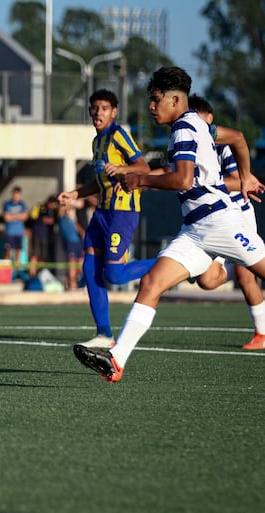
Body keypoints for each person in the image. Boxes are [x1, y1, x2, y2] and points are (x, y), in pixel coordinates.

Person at [73, 66, 265, 382]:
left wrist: (139, 179)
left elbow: (183, 179)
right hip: (194, 231)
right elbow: (239, 138)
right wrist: (244, 176)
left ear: (174, 99)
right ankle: (116, 361)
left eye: (155, 99)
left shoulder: (184, 129)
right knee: (151, 284)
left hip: (221, 224)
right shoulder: (199, 125)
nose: (151, 106)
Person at [57, 89, 154, 348]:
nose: (98, 112)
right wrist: (75, 193)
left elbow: (144, 168)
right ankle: (104, 334)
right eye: (95, 108)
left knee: (115, 274)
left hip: (122, 212)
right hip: (102, 212)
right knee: (90, 270)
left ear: (114, 112)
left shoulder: (118, 135)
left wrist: (122, 169)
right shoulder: (96, 142)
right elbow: (99, 182)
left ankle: (167, 263)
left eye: (104, 108)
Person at [184, 95, 265, 350]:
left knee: (246, 273)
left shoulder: (221, 146)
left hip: (237, 213)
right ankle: (235, 267)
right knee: (207, 281)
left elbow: (236, 180)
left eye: (201, 119)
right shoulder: (184, 146)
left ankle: (261, 333)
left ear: (210, 119)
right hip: (211, 221)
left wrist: (210, 185)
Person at [57, 203, 84, 289]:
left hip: (78, 242)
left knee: (80, 263)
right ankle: (72, 283)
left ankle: (76, 280)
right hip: (70, 243)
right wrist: (68, 201)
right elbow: (61, 210)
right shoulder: (62, 218)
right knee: (72, 262)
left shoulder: (72, 220)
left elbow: (80, 231)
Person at [2, 186, 28, 266]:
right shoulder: (7, 204)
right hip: (10, 232)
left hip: (19, 232)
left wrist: (12, 216)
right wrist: (19, 216)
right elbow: (6, 217)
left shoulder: (22, 204)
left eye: (18, 194)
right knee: (8, 251)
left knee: (18, 252)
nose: (16, 196)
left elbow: (25, 216)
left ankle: (17, 270)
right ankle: (7, 270)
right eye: (15, 194)